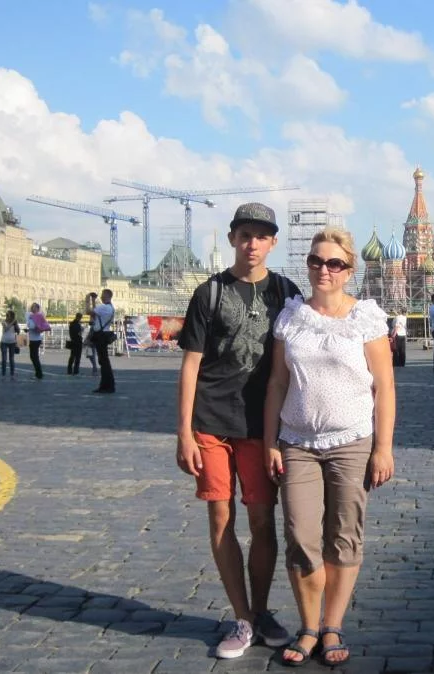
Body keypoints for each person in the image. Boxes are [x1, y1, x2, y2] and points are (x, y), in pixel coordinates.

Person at [264, 228, 395, 667]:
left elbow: (385, 387)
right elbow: (277, 384)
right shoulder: (291, 318)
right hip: (297, 442)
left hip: (351, 442)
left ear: (349, 270)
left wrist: (383, 447)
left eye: (334, 263)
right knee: (301, 537)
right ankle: (307, 625)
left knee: (343, 536)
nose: (324, 269)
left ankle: (332, 625)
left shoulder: (366, 319)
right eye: (316, 261)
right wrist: (269, 442)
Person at [175, 202, 301, 659]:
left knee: (263, 519)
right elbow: (190, 366)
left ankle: (261, 610)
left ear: (272, 243)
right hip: (211, 422)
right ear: (232, 238)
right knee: (221, 517)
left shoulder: (286, 293)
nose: (252, 244)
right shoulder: (208, 293)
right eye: (245, 235)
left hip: (261, 424)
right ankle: (242, 617)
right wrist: (184, 432)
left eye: (261, 236)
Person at [86, 290, 116, 393]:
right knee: (103, 361)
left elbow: (88, 312)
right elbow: (95, 315)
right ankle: (105, 385)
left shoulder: (104, 307)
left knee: (104, 362)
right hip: (104, 334)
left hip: (100, 336)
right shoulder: (110, 308)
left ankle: (108, 386)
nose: (101, 297)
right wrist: (93, 301)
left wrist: (87, 299)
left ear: (107, 296)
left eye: (103, 295)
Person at [26, 303, 49, 380]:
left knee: (34, 357)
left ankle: (39, 374)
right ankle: (38, 373)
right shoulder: (31, 315)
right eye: (32, 307)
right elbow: (31, 326)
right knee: (34, 357)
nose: (32, 308)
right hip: (33, 339)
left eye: (34, 307)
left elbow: (34, 326)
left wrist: (31, 323)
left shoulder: (38, 316)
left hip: (36, 339)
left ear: (37, 308)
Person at [0, 310, 20, 380]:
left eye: (9, 315)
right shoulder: (3, 322)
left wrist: (16, 325)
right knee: (4, 359)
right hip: (4, 342)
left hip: (12, 342)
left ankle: (12, 374)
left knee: (11, 359)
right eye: (7, 315)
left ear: (12, 316)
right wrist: (13, 322)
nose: (7, 317)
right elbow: (6, 329)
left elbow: (18, 332)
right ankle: (3, 374)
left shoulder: (14, 323)